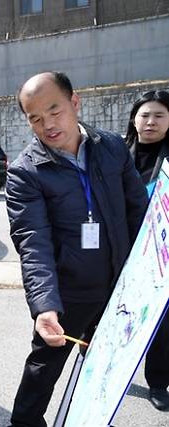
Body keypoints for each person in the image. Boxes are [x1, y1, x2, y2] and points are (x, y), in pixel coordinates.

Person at [6, 71, 148, 427]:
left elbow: (137, 212)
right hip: (66, 293)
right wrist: (44, 307)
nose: (47, 125)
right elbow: (32, 242)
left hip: (118, 286)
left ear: (75, 102)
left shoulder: (111, 146)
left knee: (102, 364)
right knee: (43, 369)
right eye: (35, 118)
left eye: (54, 111)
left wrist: (145, 273)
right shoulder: (26, 171)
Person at [124, 89, 169, 412]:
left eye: (159, 115)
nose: (150, 121)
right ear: (134, 119)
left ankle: (158, 382)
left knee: (161, 325)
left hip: (161, 256)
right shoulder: (116, 155)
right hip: (119, 253)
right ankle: (104, 370)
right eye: (145, 114)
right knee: (110, 318)